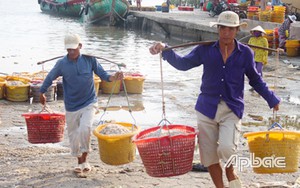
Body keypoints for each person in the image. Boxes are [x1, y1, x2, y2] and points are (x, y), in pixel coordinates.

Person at [149, 11, 280, 188]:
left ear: (236, 31)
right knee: (209, 156)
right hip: (206, 108)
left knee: (227, 148)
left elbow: (255, 79)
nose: (226, 33)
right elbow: (183, 64)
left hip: (232, 108)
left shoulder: (246, 53)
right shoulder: (205, 50)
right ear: (218, 29)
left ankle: (230, 170)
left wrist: (272, 99)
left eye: (231, 29)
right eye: (223, 28)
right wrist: (165, 49)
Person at [39, 33, 124, 174]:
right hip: (71, 105)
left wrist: (114, 77)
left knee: (85, 128)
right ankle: (79, 162)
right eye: (68, 50)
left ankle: (85, 159)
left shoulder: (90, 60)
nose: (71, 52)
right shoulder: (61, 64)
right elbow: (50, 77)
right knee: (74, 135)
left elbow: (103, 75)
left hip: (89, 102)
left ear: (80, 46)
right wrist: (41, 92)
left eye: (73, 49)